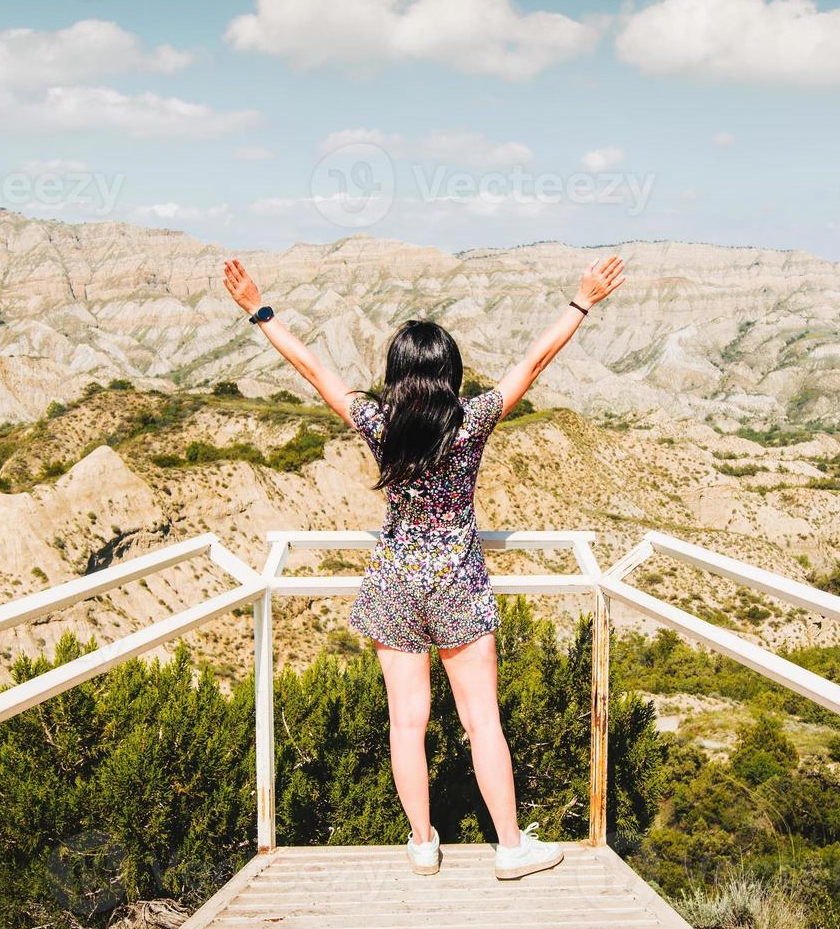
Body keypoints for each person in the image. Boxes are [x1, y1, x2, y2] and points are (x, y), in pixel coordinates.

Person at [218, 255, 628, 879]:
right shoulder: (471, 425)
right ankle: (512, 848)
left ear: (395, 376)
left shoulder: (378, 424)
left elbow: (312, 369)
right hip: (456, 585)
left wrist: (258, 309)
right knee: (481, 720)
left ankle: (421, 843)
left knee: (407, 721)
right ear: (451, 375)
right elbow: (534, 364)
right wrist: (582, 301)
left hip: (393, 583)